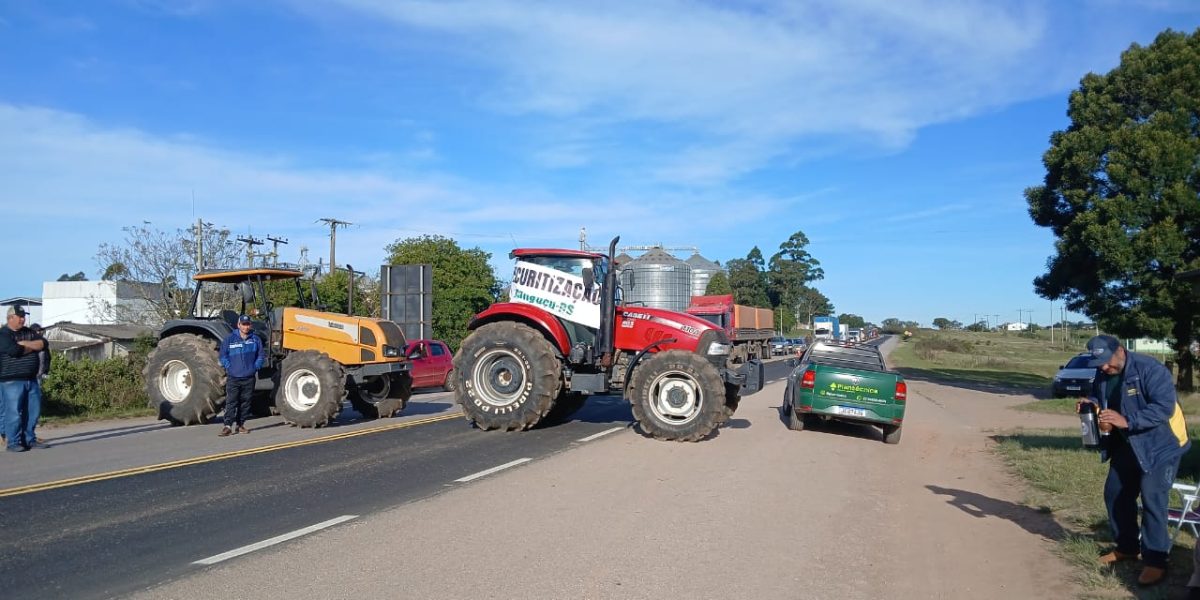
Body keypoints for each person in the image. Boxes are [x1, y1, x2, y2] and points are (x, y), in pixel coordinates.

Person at [1081, 334, 1189, 587]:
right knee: (1115, 493)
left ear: (1120, 350)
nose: (1105, 368)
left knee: (1152, 497)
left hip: (1162, 445)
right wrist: (1092, 404)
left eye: (1108, 362)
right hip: (1128, 445)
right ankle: (1127, 547)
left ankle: (1156, 561)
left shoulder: (1150, 369)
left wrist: (1128, 421)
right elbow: (1101, 397)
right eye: (1100, 365)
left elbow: (1164, 407)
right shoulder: (1102, 372)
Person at [0, 306, 46, 452]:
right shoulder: (3, 334)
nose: (23, 319)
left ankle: (29, 439)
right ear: (10, 318)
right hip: (11, 380)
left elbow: (43, 343)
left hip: (31, 379)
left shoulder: (29, 332)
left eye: (23, 316)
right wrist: (33, 347)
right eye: (19, 316)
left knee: (32, 411)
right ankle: (13, 442)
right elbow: (15, 351)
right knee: (14, 412)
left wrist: (25, 344)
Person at [218, 314, 265, 436]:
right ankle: (227, 426)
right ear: (238, 325)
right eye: (243, 324)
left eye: (248, 324)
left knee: (246, 402)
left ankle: (240, 425)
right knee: (231, 401)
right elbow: (223, 356)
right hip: (234, 377)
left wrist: (255, 367)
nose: (246, 326)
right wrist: (229, 367)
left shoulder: (255, 339)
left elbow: (260, 355)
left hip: (249, 377)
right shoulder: (229, 339)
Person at [19, 323, 50, 448]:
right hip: (31, 377)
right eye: (38, 331)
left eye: (41, 331)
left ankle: (29, 436)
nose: (40, 333)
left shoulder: (40, 343)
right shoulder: (31, 345)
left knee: (33, 409)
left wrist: (43, 373)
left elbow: (45, 360)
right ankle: (20, 436)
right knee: (24, 409)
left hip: (37, 377)